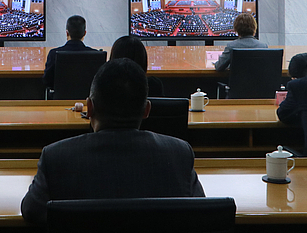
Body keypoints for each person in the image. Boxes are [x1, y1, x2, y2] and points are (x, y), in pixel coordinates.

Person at [21, 58, 204, 224]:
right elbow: (200, 214)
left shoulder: (55, 158)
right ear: (147, 110)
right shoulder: (180, 154)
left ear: (89, 108)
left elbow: (31, 212)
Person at [43, 15, 93, 89]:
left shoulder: (54, 53)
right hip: (87, 96)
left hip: (60, 96)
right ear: (84, 33)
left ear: (67, 33)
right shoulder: (94, 55)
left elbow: (47, 81)